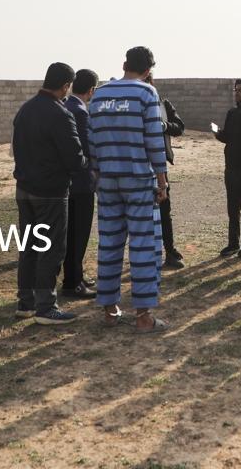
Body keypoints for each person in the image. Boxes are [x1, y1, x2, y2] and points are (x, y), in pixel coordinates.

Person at [89, 46, 169, 334]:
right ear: (148, 70)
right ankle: (143, 316)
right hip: (138, 180)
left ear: (124, 65)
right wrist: (162, 180)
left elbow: (91, 141)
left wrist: (98, 174)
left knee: (109, 244)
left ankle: (110, 310)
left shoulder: (99, 95)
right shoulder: (146, 93)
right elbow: (154, 141)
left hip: (108, 181)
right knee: (143, 246)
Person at [11, 62, 88, 325]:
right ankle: (46, 307)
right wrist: (88, 163)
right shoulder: (60, 115)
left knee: (29, 247)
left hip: (24, 189)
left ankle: (26, 302)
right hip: (51, 193)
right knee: (51, 248)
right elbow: (74, 159)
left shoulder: (25, 110)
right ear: (66, 86)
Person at [60, 68, 98, 300]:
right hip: (81, 183)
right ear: (91, 90)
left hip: (67, 182)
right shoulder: (81, 112)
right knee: (79, 234)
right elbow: (87, 149)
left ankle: (76, 276)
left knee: (71, 234)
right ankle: (73, 282)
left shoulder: (65, 106)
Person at [146, 72, 185, 270]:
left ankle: (169, 251)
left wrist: (163, 125)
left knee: (164, 210)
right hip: (138, 165)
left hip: (159, 164)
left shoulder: (162, 104)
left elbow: (179, 127)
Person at [215, 79, 241, 257]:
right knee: (233, 209)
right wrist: (218, 133)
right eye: (235, 90)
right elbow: (227, 137)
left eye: (240, 90)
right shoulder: (232, 113)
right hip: (231, 167)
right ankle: (233, 243)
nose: (236, 93)